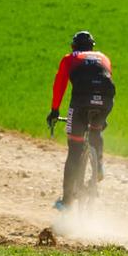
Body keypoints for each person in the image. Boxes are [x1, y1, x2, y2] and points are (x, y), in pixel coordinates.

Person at [47, 30, 115, 211]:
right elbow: (108, 82)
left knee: (74, 150)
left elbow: (60, 85)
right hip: (106, 101)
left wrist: (54, 110)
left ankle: (67, 201)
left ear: (73, 46)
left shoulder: (70, 58)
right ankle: (99, 167)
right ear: (92, 46)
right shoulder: (104, 58)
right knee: (96, 129)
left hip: (81, 102)